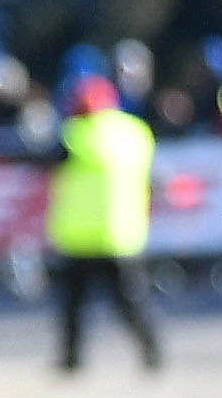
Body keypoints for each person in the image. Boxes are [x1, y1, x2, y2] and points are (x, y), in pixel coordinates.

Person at [48, 78, 161, 372]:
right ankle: (152, 351)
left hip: (79, 239)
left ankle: (71, 361)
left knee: (73, 308)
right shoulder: (136, 133)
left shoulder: (74, 135)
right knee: (132, 305)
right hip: (122, 236)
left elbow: (45, 160)